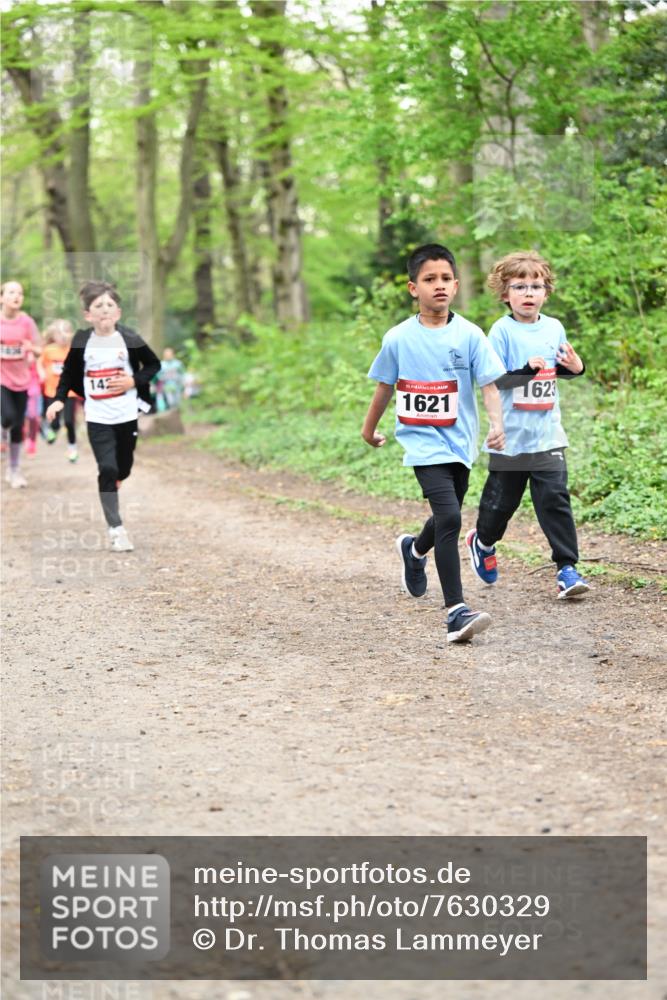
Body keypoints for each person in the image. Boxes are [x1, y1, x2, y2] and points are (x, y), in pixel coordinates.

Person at [361, 243, 506, 644]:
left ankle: (414, 550)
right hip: (421, 442)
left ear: (456, 285)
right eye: (429, 280)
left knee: (447, 514)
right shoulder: (398, 338)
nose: (438, 286)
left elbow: (489, 385)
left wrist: (497, 423)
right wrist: (368, 428)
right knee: (452, 518)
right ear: (413, 288)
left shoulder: (471, 335)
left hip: (460, 443)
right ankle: (456, 611)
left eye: (445, 279)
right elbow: (384, 387)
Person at [465, 250, 590, 599]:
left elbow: (557, 370)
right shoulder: (501, 331)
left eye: (536, 286)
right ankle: (483, 541)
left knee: (554, 499)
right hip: (511, 436)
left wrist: (577, 368)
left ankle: (567, 568)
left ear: (546, 292)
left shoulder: (554, 327)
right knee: (501, 503)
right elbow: (494, 380)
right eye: (519, 286)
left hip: (548, 433)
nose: (529, 293)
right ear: (505, 294)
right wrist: (524, 371)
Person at [46, 281, 160, 552]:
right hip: (98, 417)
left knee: (124, 468)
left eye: (109, 305)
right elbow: (69, 375)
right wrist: (59, 400)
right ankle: (116, 528)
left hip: (126, 414)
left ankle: (116, 480)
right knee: (107, 469)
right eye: (98, 306)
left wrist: (133, 381)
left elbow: (154, 363)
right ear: (88, 315)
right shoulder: (83, 341)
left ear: (118, 312)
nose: (105, 310)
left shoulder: (129, 338)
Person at [1, 280, 41, 487]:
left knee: (17, 426)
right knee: (7, 417)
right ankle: (2, 431)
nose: (16, 296)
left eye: (20, 293)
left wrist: (29, 347)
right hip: (2, 379)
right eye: (11, 292)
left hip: (22, 380)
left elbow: (40, 349)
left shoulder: (26, 322)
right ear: (2, 298)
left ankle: (14, 469)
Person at [40, 318, 79, 462]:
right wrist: (42, 373)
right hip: (52, 391)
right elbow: (40, 364)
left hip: (70, 392)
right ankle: (53, 429)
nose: (63, 338)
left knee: (69, 421)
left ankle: (72, 448)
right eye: (59, 335)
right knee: (55, 420)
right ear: (54, 336)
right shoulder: (49, 350)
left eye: (66, 334)